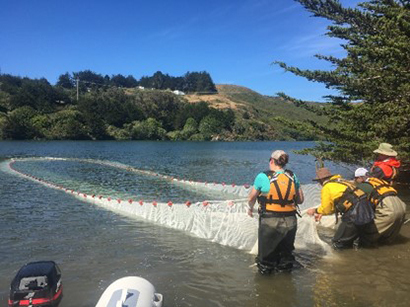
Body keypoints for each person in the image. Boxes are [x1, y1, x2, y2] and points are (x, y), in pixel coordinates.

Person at [248, 150, 304, 274]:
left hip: (270, 220)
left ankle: (265, 285)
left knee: (266, 258)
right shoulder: (292, 176)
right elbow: (300, 200)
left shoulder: (263, 176)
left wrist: (250, 208)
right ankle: (285, 282)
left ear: (272, 161)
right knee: (285, 255)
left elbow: (251, 198)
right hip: (290, 220)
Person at [307, 168, 375, 249]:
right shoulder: (342, 181)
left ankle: (344, 260)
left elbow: (326, 209)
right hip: (368, 211)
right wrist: (321, 213)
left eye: (318, 181)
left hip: (354, 214)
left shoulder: (327, 187)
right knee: (356, 241)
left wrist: (315, 210)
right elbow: (343, 202)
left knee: (338, 243)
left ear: (321, 179)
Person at [354, 167, 406, 244]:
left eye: (355, 178)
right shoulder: (379, 182)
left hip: (388, 209)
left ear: (360, 178)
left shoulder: (363, 186)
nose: (355, 181)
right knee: (388, 238)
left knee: (367, 236)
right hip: (402, 206)